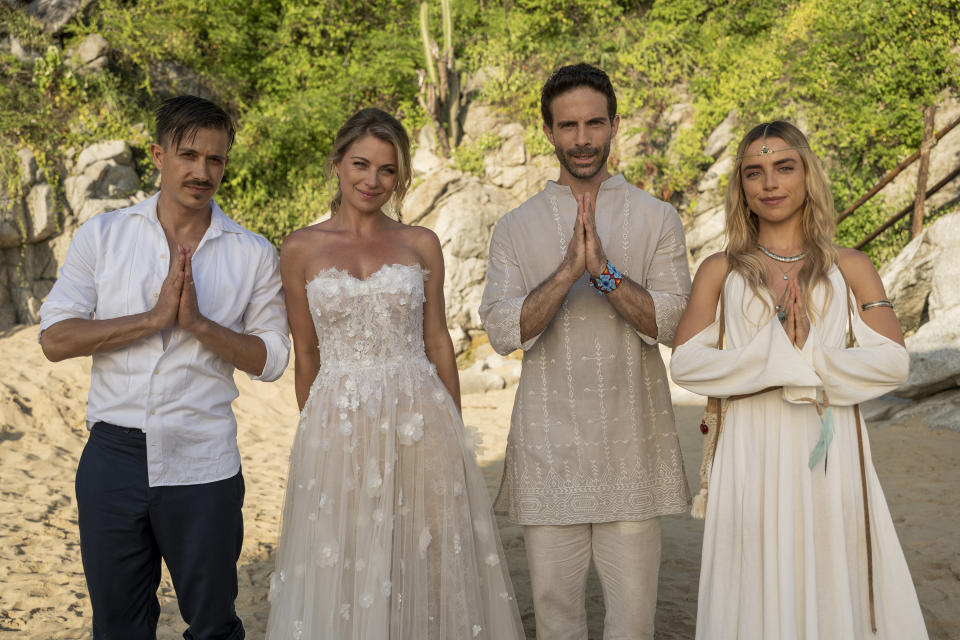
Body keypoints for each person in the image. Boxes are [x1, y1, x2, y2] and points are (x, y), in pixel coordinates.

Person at [264, 107, 525, 640]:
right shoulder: (299, 248)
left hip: (418, 414)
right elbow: (307, 351)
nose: (372, 180)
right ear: (336, 163)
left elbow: (436, 340)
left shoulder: (419, 242)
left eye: (388, 171)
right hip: (335, 419)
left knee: (423, 549)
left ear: (400, 178)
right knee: (347, 551)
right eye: (361, 164)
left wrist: (454, 427)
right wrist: (314, 433)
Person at [38, 95, 290, 639]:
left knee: (213, 626)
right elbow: (55, 339)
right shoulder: (102, 237)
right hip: (111, 459)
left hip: (204, 460)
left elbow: (272, 360)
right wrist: (153, 319)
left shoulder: (253, 253)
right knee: (117, 626)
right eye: (188, 154)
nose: (202, 172)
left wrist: (200, 325)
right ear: (158, 154)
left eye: (216, 160)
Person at [670, 121, 928, 639]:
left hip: (829, 454)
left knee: (831, 573)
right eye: (754, 172)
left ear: (807, 174)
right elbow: (686, 364)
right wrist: (775, 356)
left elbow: (893, 363)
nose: (770, 182)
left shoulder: (851, 266)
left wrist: (809, 354)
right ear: (741, 188)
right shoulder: (721, 269)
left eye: (784, 167)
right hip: (750, 451)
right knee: (754, 578)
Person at [479, 63, 692, 640]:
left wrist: (601, 273)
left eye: (594, 123)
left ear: (614, 125)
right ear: (548, 131)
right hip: (549, 449)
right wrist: (567, 270)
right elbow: (502, 330)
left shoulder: (657, 217)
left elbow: (675, 324)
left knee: (632, 620)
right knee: (555, 618)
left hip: (633, 446)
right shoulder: (515, 228)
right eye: (567, 126)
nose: (582, 139)